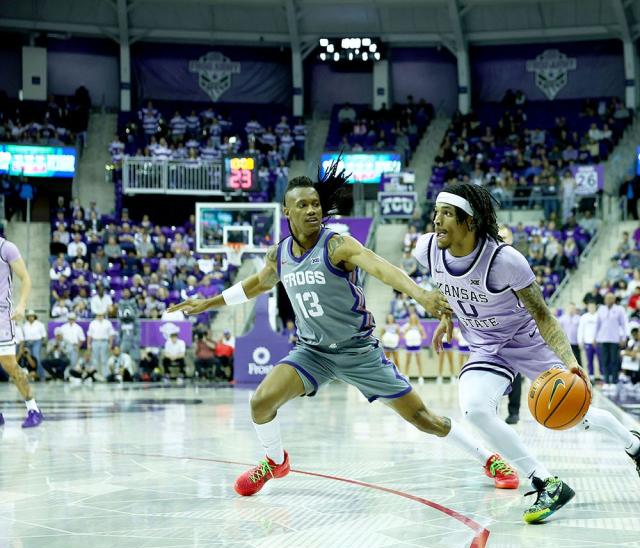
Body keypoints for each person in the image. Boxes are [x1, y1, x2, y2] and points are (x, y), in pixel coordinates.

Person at [168, 168, 521, 500]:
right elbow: (258, 283)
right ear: (287, 212)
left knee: (423, 419)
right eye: (302, 205)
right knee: (260, 402)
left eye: (316, 204)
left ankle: (489, 459)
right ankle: (275, 461)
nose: (312, 211)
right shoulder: (280, 255)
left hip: (358, 352)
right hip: (312, 352)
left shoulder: (338, 245)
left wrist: (422, 295)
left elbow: (384, 270)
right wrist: (208, 303)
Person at [418, 183, 640, 524]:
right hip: (486, 347)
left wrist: (571, 363)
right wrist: (445, 315)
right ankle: (545, 481)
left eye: (446, 214)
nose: (436, 221)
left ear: (470, 222)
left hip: (527, 342)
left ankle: (634, 446)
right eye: (436, 213)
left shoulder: (505, 261)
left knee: (580, 415)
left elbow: (543, 314)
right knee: (475, 409)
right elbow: (443, 285)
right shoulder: (427, 249)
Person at [0, 237, 42, 427]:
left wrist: (22, 305)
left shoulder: (6, 248)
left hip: (2, 316)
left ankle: (33, 409)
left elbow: (25, 278)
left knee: (10, 365)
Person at [595, 293, 626, 385]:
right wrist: (595, 337)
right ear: (604, 300)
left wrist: (623, 337)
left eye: (611, 298)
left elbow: (623, 324)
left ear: (614, 300)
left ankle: (614, 380)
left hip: (615, 339)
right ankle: (606, 380)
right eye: (607, 298)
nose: (609, 300)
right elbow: (598, 324)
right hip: (603, 338)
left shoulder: (619, 309)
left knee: (614, 360)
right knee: (605, 360)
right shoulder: (601, 309)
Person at [87, 311, 115, 380]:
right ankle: (95, 376)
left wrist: (110, 344)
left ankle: (106, 376)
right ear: (96, 315)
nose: (99, 316)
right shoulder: (93, 323)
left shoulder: (107, 323)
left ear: (103, 315)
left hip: (104, 342)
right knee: (95, 360)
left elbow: (111, 334)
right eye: (98, 315)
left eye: (101, 315)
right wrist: (89, 344)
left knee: (104, 360)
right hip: (95, 341)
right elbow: (89, 335)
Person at [401, 312, 427, 383]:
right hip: (409, 345)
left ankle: (421, 377)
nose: (413, 319)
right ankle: (406, 376)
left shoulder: (419, 326)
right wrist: (407, 337)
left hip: (417, 345)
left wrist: (419, 338)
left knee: (418, 361)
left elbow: (424, 335)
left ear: (416, 319)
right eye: (412, 318)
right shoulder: (407, 326)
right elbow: (403, 335)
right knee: (407, 361)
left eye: (414, 318)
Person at [21, 311, 46, 382]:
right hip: (27, 342)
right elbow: (23, 335)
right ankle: (31, 375)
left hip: (36, 342)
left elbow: (43, 335)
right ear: (27, 317)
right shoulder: (25, 325)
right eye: (29, 316)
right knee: (28, 358)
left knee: (36, 357)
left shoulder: (40, 324)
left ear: (34, 317)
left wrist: (39, 342)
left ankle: (41, 375)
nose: (30, 317)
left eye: (32, 316)